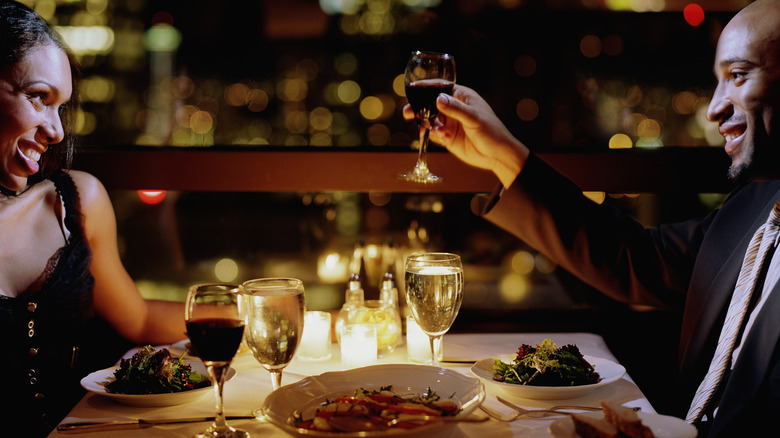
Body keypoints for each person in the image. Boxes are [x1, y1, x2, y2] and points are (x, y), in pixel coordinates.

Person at [404, 0, 780, 436]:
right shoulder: (755, 206)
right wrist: (502, 154)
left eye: (737, 76)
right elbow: (638, 258)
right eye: (717, 81)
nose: (715, 107)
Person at [0, 1, 186, 435]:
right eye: (38, 98)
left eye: (60, 107)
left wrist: (250, 313)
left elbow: (137, 318)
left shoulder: (74, 203)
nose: (57, 130)